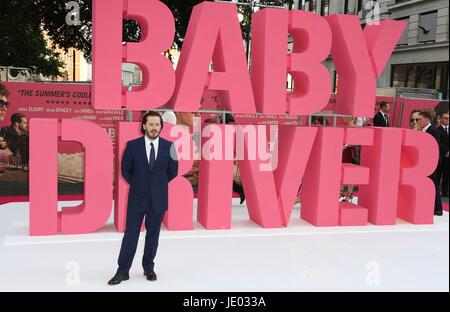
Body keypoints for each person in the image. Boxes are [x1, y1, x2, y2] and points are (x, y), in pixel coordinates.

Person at [108, 111, 178, 285]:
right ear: (144, 126)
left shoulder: (170, 146)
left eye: (157, 125)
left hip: (159, 199)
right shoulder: (132, 146)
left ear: (161, 127)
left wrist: (157, 185)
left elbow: (173, 171)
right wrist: (141, 185)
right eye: (151, 124)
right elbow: (125, 170)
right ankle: (122, 271)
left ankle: (149, 268)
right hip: (137, 198)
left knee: (153, 236)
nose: (154, 128)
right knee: (131, 235)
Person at [418, 110, 443, 216]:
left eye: (420, 119)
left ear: (427, 119)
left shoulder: (433, 130)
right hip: (422, 162)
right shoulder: (421, 129)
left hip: (431, 163)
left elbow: (435, 147)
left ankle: (437, 208)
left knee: (433, 184)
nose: (418, 121)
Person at [340, 117, 358, 202]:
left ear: (349, 118)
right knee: (341, 172)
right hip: (343, 153)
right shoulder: (344, 127)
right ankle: (341, 191)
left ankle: (350, 194)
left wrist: (345, 146)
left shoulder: (354, 128)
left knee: (350, 174)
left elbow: (356, 141)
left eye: (344, 117)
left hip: (350, 153)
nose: (343, 119)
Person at [437, 112, 449, 197]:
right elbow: (439, 143)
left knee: (447, 174)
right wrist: (446, 151)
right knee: (438, 174)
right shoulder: (437, 130)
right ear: (440, 119)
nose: (448, 120)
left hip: (449, 156)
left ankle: (445, 191)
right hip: (441, 155)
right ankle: (436, 191)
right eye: (446, 118)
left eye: (448, 118)